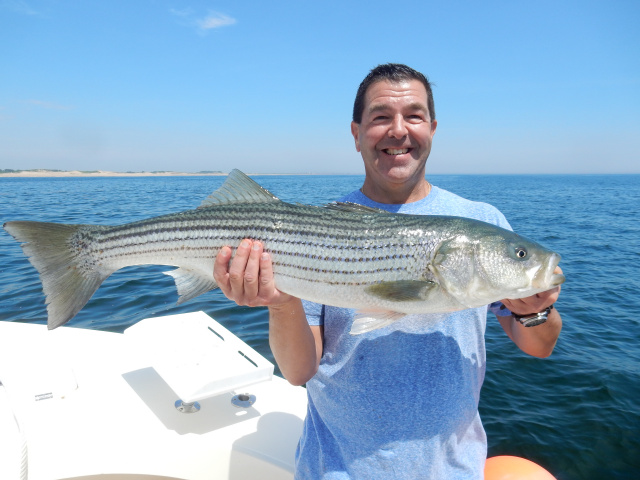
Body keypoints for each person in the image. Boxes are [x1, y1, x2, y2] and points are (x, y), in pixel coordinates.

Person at [213, 63, 562, 479]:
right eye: (381, 117)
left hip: (453, 469)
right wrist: (281, 300)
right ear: (356, 133)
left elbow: (539, 346)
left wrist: (532, 310)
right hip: (337, 469)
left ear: (432, 128)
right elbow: (297, 373)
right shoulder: (318, 229)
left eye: (414, 116)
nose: (399, 130)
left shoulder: (482, 219)